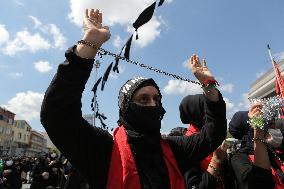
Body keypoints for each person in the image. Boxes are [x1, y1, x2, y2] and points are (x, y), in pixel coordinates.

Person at [40, 8, 227, 189]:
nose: (153, 105)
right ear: (126, 107)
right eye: (143, 99)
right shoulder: (104, 150)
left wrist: (208, 85)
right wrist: (89, 45)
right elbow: (57, 116)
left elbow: (214, 133)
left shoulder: (173, 148)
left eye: (157, 99)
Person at [179, 94, 235, 189]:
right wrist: (215, 161)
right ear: (196, 113)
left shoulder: (213, 138)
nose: (211, 114)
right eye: (207, 110)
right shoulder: (187, 145)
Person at [229, 103, 277, 189]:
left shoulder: (274, 151)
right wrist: (258, 134)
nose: (275, 130)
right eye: (268, 125)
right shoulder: (239, 159)